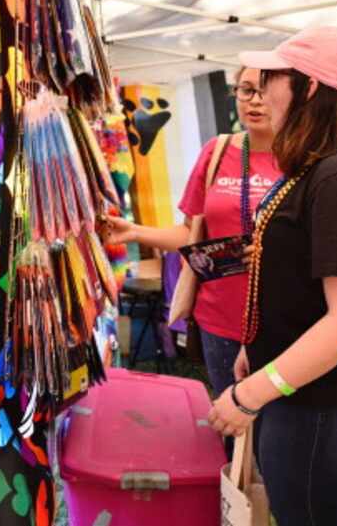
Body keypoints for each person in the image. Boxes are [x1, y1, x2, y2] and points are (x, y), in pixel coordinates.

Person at [207, 26, 337, 526]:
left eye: (270, 78)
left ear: (309, 88)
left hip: (325, 409)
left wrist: (251, 395)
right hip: (304, 397)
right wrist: (262, 346)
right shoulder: (321, 166)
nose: (260, 90)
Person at [104, 67, 282, 399]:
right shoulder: (217, 152)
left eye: (265, 91)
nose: (254, 102)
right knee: (231, 423)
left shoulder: (306, 157)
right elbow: (192, 234)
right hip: (219, 319)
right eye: (245, 90)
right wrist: (134, 232)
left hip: (281, 323)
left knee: (279, 436)